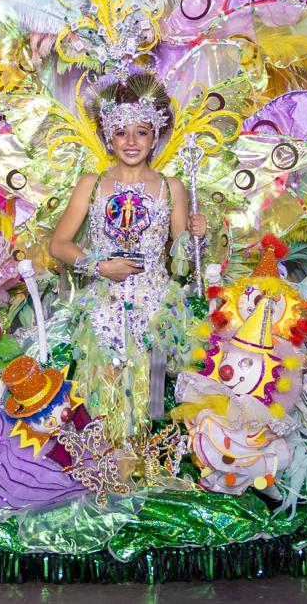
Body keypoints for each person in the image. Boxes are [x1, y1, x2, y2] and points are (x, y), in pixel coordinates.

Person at [48, 73, 207, 446]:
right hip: (103, 306)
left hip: (156, 310)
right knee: (101, 395)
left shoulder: (173, 186)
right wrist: (101, 267)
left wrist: (198, 233)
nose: (131, 141)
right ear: (108, 137)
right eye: (121, 133)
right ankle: (102, 464)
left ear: (155, 136)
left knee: (151, 403)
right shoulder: (91, 183)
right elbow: (59, 244)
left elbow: (181, 254)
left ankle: (144, 467)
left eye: (141, 132)